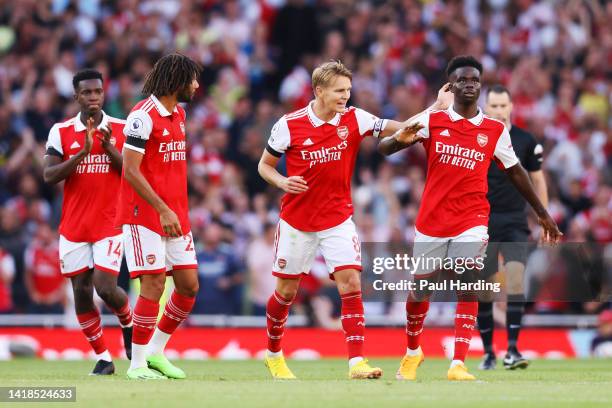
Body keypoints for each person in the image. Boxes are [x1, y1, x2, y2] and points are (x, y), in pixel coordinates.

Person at [258, 60, 450, 380]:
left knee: (350, 283)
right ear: (319, 91)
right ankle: (274, 354)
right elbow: (265, 165)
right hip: (297, 221)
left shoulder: (356, 118)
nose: (345, 96)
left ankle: (356, 362)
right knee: (286, 293)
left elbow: (401, 128)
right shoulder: (288, 125)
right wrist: (281, 182)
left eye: (348, 90)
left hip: (337, 219)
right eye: (339, 90)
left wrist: (435, 107)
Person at [378, 55, 561, 381]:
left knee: (470, 283)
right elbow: (385, 147)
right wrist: (401, 138)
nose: (470, 84)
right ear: (450, 85)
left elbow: (517, 172)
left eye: (475, 79)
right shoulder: (433, 120)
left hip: (473, 219)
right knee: (420, 289)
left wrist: (543, 215)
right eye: (463, 79)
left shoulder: (493, 130)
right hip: (432, 219)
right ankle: (412, 352)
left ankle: (458, 363)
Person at [116, 54, 201, 380]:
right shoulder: (142, 115)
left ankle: (156, 352)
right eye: (192, 79)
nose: (196, 85)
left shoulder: (179, 114)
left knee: (189, 286)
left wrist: (173, 208)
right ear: (177, 80)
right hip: (143, 215)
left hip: (176, 214)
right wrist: (162, 208)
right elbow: (131, 170)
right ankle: (136, 366)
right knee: (152, 283)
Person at [43, 69, 132, 375]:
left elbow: (132, 175)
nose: (93, 97)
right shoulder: (61, 131)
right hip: (74, 227)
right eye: (87, 92)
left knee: (105, 287)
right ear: (76, 96)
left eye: (98, 92)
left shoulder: (121, 128)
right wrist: (83, 152)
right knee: (81, 292)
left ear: (103, 94)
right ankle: (105, 357)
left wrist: (108, 147)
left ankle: (129, 327)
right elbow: (49, 176)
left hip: (109, 224)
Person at [477, 84, 548, 370]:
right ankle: (487, 353)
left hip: (515, 221)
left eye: (503, 106)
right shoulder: (477, 136)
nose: (498, 111)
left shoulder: (526, 140)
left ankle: (513, 350)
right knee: (484, 289)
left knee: (516, 281)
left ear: (511, 107)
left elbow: (538, 179)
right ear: (486, 107)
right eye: (493, 106)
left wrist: (544, 217)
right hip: (482, 222)